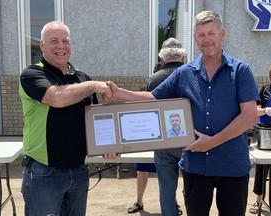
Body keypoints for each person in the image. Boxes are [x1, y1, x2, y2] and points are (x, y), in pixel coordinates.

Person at [105, 11, 259, 216]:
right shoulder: (184, 73)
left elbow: (249, 116)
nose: (206, 39)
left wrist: (211, 142)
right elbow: (154, 97)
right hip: (195, 165)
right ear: (195, 38)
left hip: (232, 165)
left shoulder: (240, 70)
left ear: (222, 33)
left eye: (211, 33)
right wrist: (119, 93)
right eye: (201, 35)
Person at [19, 21, 116, 216]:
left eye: (66, 41)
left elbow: (93, 121)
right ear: (42, 45)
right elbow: (57, 98)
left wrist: (108, 144)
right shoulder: (32, 74)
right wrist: (95, 85)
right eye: (54, 41)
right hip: (44, 173)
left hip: (79, 171)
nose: (61, 46)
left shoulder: (82, 78)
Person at [129, 37, 186, 215]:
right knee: (192, 188)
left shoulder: (153, 79)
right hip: (190, 140)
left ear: (162, 59)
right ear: (183, 57)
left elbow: (144, 110)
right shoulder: (192, 74)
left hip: (163, 141)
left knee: (166, 191)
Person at [249, 60, 271, 214]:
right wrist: (265, 111)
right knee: (261, 170)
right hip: (265, 132)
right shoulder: (265, 90)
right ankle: (258, 200)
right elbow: (254, 109)